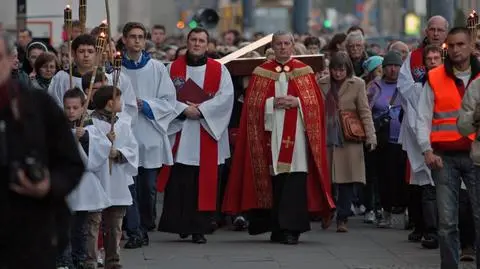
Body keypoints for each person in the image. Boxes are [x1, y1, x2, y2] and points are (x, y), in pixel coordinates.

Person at [222, 31, 335, 245]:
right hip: (270, 136)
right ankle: (276, 227)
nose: (283, 47)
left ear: (293, 45)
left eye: (286, 43)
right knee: (275, 181)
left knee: (294, 182)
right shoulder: (261, 72)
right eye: (279, 44)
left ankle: (292, 229)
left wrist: (297, 103)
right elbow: (251, 106)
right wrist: (270, 103)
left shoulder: (304, 72)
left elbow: (316, 105)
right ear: (272, 47)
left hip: (297, 142)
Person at [0, 32, 85, 269]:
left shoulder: (39, 105)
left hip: (31, 234)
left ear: (10, 59)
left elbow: (71, 164)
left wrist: (49, 185)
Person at [156, 27, 234, 244]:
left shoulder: (219, 70)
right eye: (193, 40)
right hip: (180, 133)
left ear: (207, 44)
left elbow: (225, 98)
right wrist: (183, 109)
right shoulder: (172, 68)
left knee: (203, 182)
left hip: (206, 130)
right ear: (187, 41)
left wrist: (202, 110)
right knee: (181, 181)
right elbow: (164, 96)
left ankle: (200, 228)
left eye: (201, 40)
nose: (197, 44)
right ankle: (180, 224)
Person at [417, 27, 480, 269]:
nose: (456, 49)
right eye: (451, 45)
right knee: (447, 222)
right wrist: (427, 150)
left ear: (471, 44)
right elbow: (422, 117)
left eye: (461, 44)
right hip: (444, 158)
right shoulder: (435, 78)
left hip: (476, 155)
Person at [120, 22, 176, 248]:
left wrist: (145, 105)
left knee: (148, 187)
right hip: (126, 135)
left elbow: (169, 101)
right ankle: (135, 229)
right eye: (132, 36)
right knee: (129, 185)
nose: (136, 41)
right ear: (124, 39)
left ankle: (146, 222)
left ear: (145, 40)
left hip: (150, 133)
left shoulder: (157, 68)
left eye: (140, 37)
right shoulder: (115, 69)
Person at [317, 51, 376, 232]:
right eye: (335, 70)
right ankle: (327, 211)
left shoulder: (357, 84)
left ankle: (343, 217)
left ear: (347, 69)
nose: (338, 74)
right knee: (326, 178)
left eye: (341, 70)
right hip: (327, 133)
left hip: (350, 135)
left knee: (347, 179)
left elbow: (364, 111)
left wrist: (371, 136)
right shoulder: (322, 83)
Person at [85, 85, 139, 269]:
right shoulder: (90, 123)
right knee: (93, 223)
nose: (122, 103)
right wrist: (105, 146)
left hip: (116, 179)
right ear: (110, 103)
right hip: (98, 179)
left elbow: (133, 148)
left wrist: (119, 153)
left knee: (115, 225)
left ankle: (113, 260)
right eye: (119, 99)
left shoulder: (123, 123)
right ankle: (90, 260)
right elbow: (88, 149)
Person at [61, 88, 111, 269]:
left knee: (81, 227)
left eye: (75, 108)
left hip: (83, 186)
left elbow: (103, 148)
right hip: (65, 184)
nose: (71, 112)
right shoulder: (57, 126)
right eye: (68, 108)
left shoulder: (91, 126)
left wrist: (86, 138)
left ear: (83, 107)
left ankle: (80, 258)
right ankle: (65, 260)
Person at [368, 51, 408, 228]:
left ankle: (402, 213)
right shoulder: (375, 86)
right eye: (389, 66)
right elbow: (366, 109)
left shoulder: (407, 85)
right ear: (383, 69)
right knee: (384, 178)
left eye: (396, 66)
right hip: (383, 141)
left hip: (404, 140)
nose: (393, 69)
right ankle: (385, 212)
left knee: (402, 179)